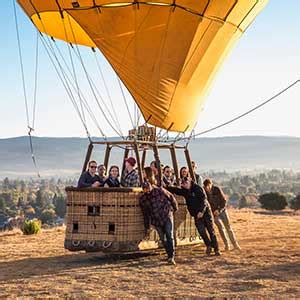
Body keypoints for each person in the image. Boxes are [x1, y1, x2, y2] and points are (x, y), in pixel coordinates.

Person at [167, 177, 221, 256]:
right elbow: (176, 190)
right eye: (183, 184)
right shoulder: (185, 191)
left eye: (186, 183)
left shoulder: (197, 189)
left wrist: (201, 211)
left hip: (205, 213)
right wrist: (166, 187)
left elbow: (204, 201)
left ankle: (216, 249)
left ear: (190, 182)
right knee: (201, 231)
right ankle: (209, 245)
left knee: (211, 231)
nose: (184, 185)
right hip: (196, 214)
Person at [140, 181, 178, 265]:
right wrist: (147, 226)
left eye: (148, 188)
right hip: (156, 220)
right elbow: (145, 214)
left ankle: (171, 256)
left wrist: (175, 208)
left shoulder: (160, 190)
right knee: (163, 238)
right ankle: (169, 254)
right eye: (145, 189)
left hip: (167, 215)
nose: (147, 190)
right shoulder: (143, 199)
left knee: (169, 234)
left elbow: (171, 197)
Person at [203, 178, 241, 251]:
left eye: (208, 186)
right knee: (221, 228)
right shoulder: (205, 193)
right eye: (205, 187)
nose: (207, 188)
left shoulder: (217, 189)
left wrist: (219, 210)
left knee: (228, 228)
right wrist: (213, 212)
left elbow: (224, 201)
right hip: (214, 214)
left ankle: (235, 244)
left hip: (222, 211)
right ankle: (227, 245)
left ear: (211, 185)